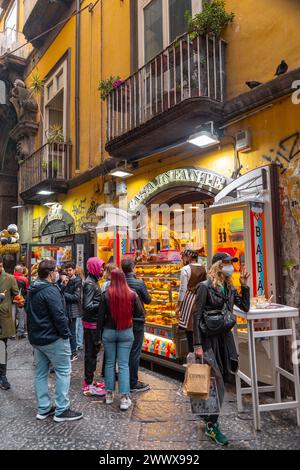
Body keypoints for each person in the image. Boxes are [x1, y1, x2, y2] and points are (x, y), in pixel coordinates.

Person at [193, 252, 250, 446]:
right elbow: (197, 316)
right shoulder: (205, 287)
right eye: (226, 263)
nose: (230, 267)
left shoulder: (230, 286)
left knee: (223, 376)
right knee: (217, 380)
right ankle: (212, 425)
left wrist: (244, 284)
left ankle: (208, 416)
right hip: (208, 339)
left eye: (231, 264)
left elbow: (245, 307)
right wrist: (197, 345)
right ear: (218, 265)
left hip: (225, 339)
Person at [26, 259, 83, 422]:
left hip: (37, 339)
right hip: (53, 338)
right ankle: (62, 409)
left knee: (40, 373)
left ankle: (43, 408)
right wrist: (66, 335)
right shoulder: (50, 291)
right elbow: (59, 316)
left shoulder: (33, 288)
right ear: (51, 273)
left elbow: (29, 313)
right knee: (63, 371)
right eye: (57, 271)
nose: (60, 273)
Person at [99, 268, 144, 410]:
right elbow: (140, 313)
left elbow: (100, 318)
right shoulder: (132, 294)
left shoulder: (106, 295)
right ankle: (124, 398)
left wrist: (97, 336)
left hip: (109, 332)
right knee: (124, 364)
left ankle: (109, 394)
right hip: (126, 332)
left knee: (110, 364)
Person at [121, 258, 151, 393]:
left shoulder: (119, 282)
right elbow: (148, 300)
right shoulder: (139, 283)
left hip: (122, 320)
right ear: (133, 268)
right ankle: (133, 382)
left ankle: (124, 379)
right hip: (137, 321)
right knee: (135, 351)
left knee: (124, 351)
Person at [82, 257, 106, 397]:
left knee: (93, 353)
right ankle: (88, 385)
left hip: (94, 323)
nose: (102, 269)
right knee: (90, 354)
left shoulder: (93, 282)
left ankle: (90, 381)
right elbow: (87, 305)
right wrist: (103, 304)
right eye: (100, 267)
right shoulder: (90, 284)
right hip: (91, 324)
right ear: (94, 267)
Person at [176, 249, 207, 352]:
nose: (182, 258)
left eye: (183, 256)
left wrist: (178, 306)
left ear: (189, 257)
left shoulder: (185, 269)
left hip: (189, 300)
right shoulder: (203, 268)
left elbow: (182, 289)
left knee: (189, 329)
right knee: (199, 326)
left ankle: (192, 353)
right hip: (201, 299)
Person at [0, 256, 22, 390]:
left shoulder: (9, 278)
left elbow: (16, 295)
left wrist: (20, 301)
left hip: (2, 320)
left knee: (2, 349)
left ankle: (2, 377)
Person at [60, 262, 82, 362]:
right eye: (67, 270)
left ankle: (73, 352)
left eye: (70, 270)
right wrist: (62, 284)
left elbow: (76, 297)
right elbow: (58, 290)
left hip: (72, 310)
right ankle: (68, 351)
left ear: (74, 270)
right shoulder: (63, 279)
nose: (68, 272)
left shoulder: (77, 281)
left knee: (72, 331)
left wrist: (64, 294)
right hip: (64, 308)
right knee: (67, 331)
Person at [13, 265, 29, 339]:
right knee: (21, 316)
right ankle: (20, 332)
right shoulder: (24, 279)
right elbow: (27, 290)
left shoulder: (10, 278)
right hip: (20, 300)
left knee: (13, 316)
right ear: (21, 271)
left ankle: (12, 332)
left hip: (11, 300)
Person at [75, 266, 85, 351]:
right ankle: (80, 343)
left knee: (76, 325)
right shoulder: (84, 281)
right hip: (82, 306)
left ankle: (76, 343)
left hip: (77, 305)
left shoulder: (76, 282)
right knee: (80, 325)